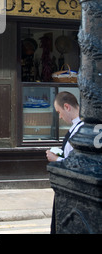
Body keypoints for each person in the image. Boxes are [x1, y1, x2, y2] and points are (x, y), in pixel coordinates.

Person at [46, 91, 83, 234]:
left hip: (71, 188)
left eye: (59, 112)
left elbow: (78, 163)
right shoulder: (78, 127)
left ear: (67, 107)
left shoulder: (81, 129)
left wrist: (56, 159)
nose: (59, 116)